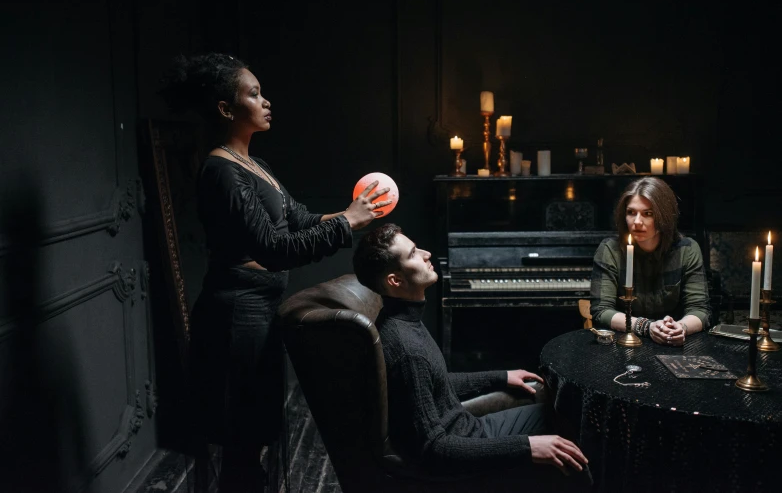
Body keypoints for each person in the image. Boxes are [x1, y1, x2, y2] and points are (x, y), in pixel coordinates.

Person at [159, 52, 391, 492]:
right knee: (241, 445)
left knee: (256, 436)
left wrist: (349, 213)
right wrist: (347, 222)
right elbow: (273, 250)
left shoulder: (256, 166)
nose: (266, 102)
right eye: (254, 93)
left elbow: (300, 220)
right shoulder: (221, 171)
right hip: (235, 318)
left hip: (260, 314)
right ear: (227, 109)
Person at [352, 223, 591, 491]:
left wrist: (500, 377)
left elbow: (434, 384)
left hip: (470, 430)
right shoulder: (406, 347)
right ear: (395, 280)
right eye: (413, 254)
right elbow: (434, 449)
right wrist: (528, 447)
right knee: (577, 465)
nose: (427, 254)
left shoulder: (404, 320)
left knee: (568, 417)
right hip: (464, 453)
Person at [590, 177, 711, 346]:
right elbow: (601, 311)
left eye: (648, 213)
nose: (637, 222)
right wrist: (646, 327)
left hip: (672, 345)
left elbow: (700, 310)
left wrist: (680, 328)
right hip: (623, 344)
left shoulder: (687, 250)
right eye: (631, 212)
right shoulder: (610, 249)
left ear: (664, 216)